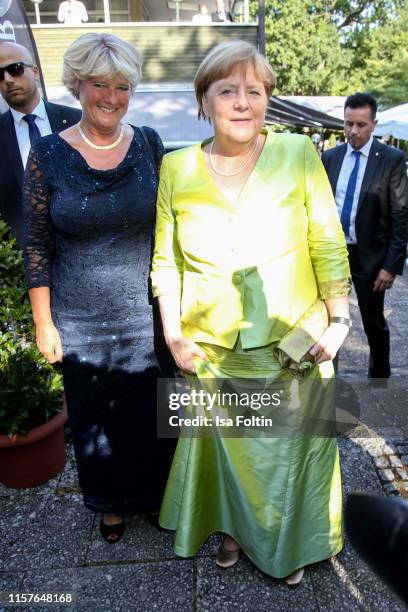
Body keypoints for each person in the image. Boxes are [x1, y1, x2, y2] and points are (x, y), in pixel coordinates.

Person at [151, 40, 351, 584]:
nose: (243, 102)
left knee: (285, 454)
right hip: (211, 345)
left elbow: (328, 243)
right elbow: (165, 262)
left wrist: (339, 320)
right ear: (204, 101)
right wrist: (173, 334)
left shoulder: (298, 153)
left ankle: (284, 547)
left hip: (293, 336)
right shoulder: (175, 168)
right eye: (228, 90)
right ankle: (236, 529)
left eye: (255, 91)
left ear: (266, 100)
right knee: (232, 452)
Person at [23, 33, 175, 543]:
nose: (111, 97)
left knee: (152, 412)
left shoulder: (151, 143)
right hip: (80, 319)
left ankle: (155, 495)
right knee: (95, 420)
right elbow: (38, 244)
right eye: (98, 85)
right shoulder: (47, 154)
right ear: (77, 85)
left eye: (122, 86)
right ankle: (110, 503)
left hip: (146, 313)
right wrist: (44, 322)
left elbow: (173, 224)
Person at [322, 93, 408, 379]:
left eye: (361, 125)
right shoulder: (330, 157)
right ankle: (327, 380)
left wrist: (391, 265)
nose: (354, 131)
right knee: (329, 321)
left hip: (370, 257)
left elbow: (400, 215)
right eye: (348, 124)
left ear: (374, 124)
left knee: (373, 322)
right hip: (333, 253)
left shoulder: (391, 159)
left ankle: (381, 379)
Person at [0, 41, 81, 247]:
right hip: (19, 262)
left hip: (78, 252)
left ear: (35, 71)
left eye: (15, 69)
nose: (8, 79)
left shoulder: (78, 121)